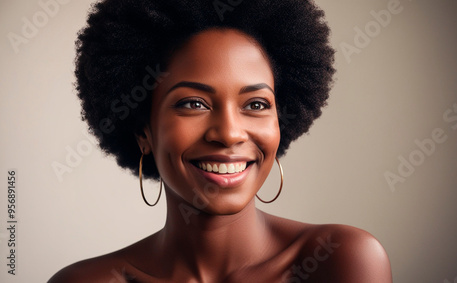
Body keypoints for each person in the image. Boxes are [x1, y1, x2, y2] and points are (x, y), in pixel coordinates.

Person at [49, 0, 392, 282]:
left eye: (256, 105)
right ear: (143, 133)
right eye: (193, 104)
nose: (229, 133)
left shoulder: (338, 260)